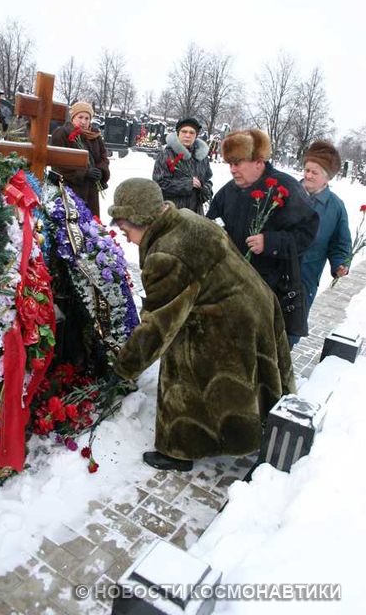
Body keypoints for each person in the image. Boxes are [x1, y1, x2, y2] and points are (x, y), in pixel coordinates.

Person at [108, 178, 295, 471]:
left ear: (141, 220)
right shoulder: (183, 218)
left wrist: (122, 368)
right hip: (253, 304)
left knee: (184, 359)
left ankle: (180, 449)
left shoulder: (167, 253)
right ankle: (257, 424)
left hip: (229, 320)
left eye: (126, 231)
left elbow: (158, 326)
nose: (128, 239)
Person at [206, 129, 319, 339]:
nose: (232, 170)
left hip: (268, 294)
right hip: (228, 291)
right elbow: (210, 224)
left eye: (237, 163)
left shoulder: (286, 188)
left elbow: (307, 234)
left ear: (259, 161)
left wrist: (271, 242)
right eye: (229, 163)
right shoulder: (228, 191)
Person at [289, 140, 352, 345]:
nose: (308, 175)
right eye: (307, 170)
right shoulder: (287, 193)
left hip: (305, 279)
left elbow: (340, 243)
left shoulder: (336, 207)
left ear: (327, 178)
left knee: (289, 332)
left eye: (314, 172)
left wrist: (340, 263)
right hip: (274, 271)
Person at [51, 101, 110, 218]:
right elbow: (58, 163)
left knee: (91, 225)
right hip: (71, 190)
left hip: (91, 191)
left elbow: (103, 157)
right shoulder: (61, 134)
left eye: (87, 118)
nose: (83, 121)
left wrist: (100, 171)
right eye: (80, 117)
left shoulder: (94, 135)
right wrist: (83, 173)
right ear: (73, 117)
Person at [152, 117, 212, 214]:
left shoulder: (202, 157)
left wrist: (205, 189)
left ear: (196, 136)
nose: (188, 135)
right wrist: (187, 184)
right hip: (173, 212)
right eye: (184, 131)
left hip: (195, 213)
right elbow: (159, 184)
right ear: (178, 133)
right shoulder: (166, 154)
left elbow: (208, 180)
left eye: (192, 133)